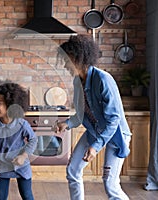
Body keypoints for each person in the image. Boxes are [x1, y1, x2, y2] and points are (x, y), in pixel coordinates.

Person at [54, 35, 132, 200]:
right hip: (94, 131)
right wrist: (67, 123)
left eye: (66, 60)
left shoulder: (103, 79)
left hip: (115, 135)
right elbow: (82, 113)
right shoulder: (77, 82)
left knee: (110, 184)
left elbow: (113, 120)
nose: (64, 64)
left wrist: (96, 147)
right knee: (73, 170)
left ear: (77, 58)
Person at [0, 80, 37, 200]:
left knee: (27, 196)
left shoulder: (22, 124)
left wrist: (23, 156)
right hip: (2, 166)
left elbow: (33, 140)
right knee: (1, 197)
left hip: (22, 166)